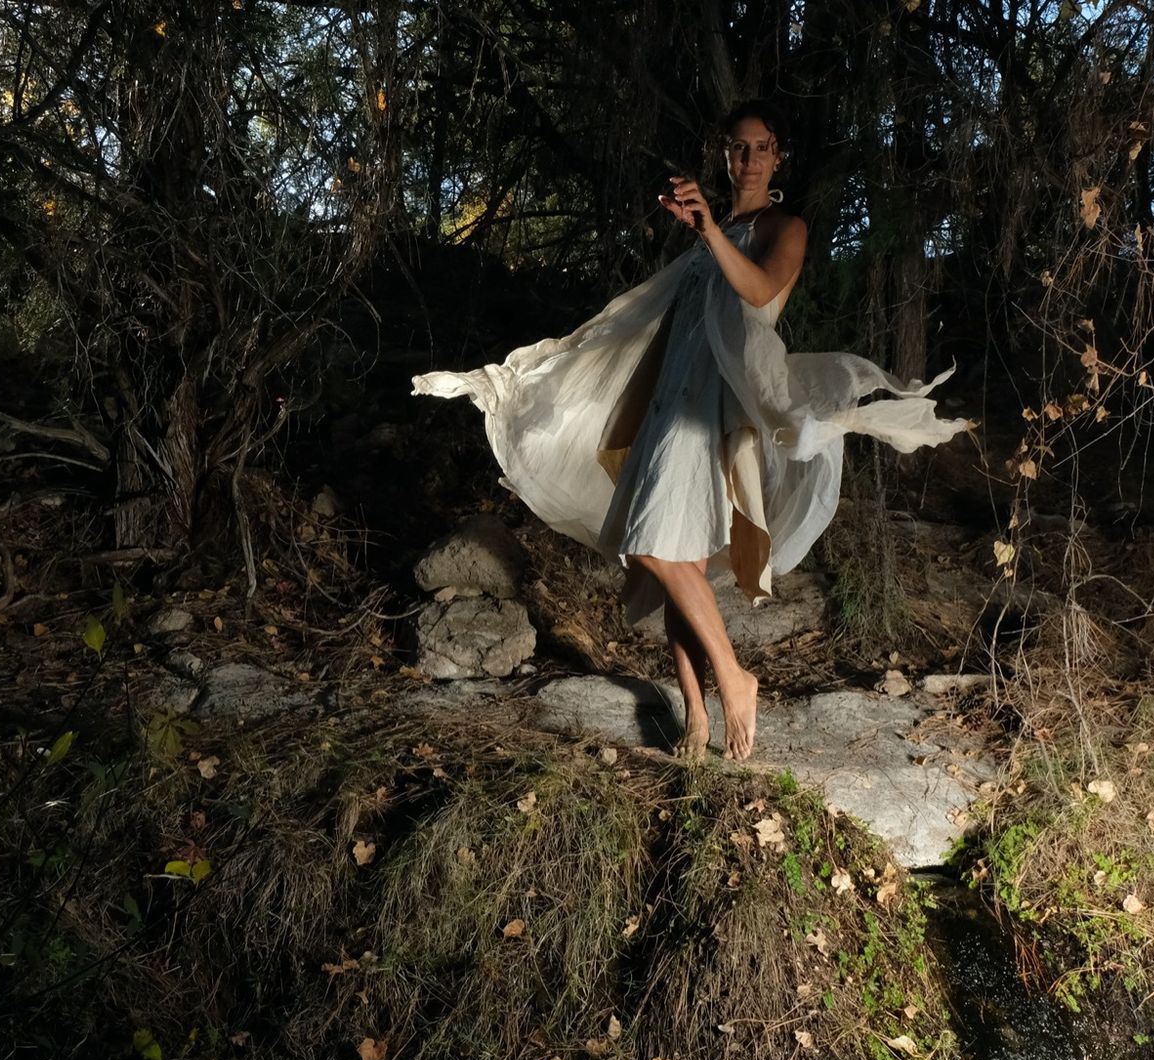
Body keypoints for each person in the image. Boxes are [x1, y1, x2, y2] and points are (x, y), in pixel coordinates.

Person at [414, 100, 970, 760]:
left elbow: (760, 295)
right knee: (664, 553)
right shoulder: (718, 228)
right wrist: (702, 232)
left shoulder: (782, 227)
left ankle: (737, 680)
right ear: (724, 155)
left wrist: (708, 230)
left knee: (659, 548)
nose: (749, 158)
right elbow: (667, 320)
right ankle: (696, 716)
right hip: (668, 396)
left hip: (713, 404)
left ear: (777, 157)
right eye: (737, 148)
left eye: (761, 147)